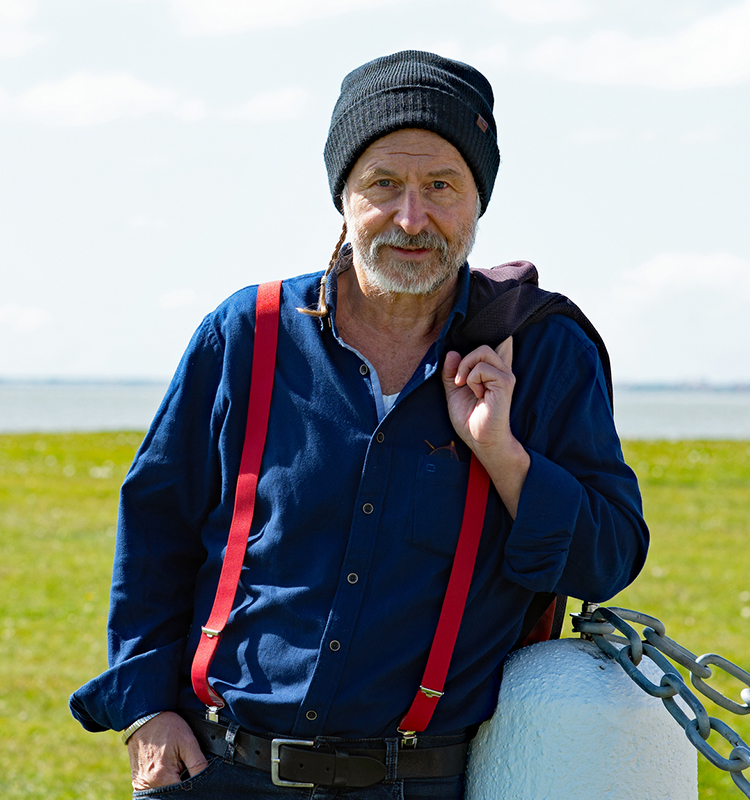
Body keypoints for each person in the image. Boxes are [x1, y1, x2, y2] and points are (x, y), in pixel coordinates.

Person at [70, 50, 648, 798]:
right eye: (383, 185)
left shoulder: (543, 351)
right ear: (343, 194)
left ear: (479, 201)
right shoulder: (248, 332)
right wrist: (145, 707)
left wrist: (503, 455)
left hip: (418, 782)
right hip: (218, 772)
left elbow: (608, 560)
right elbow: (157, 528)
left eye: (442, 185)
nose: (412, 217)